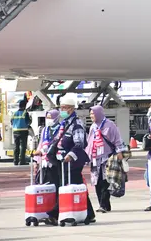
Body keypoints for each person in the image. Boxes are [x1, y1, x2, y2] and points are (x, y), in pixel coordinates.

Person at [44, 94, 96, 225]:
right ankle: (89, 213)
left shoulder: (76, 123)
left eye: (65, 108)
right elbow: (57, 140)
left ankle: (55, 214)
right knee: (76, 185)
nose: (62, 110)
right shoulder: (64, 123)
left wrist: (70, 155)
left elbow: (79, 143)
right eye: (61, 107)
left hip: (73, 160)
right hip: (62, 160)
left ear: (72, 109)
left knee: (67, 185)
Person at [87, 105, 125, 213]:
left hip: (107, 157)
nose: (91, 116)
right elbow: (90, 142)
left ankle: (103, 205)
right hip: (95, 158)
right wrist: (87, 155)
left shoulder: (110, 125)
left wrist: (120, 152)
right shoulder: (93, 127)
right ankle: (104, 205)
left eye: (93, 114)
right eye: (90, 114)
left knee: (105, 182)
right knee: (97, 182)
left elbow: (117, 139)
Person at [11, 98, 31, 165]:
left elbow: (11, 121)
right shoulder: (25, 113)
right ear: (25, 106)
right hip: (23, 131)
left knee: (16, 146)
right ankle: (22, 161)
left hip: (15, 131)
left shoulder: (14, 113)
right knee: (23, 146)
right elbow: (28, 122)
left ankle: (15, 161)